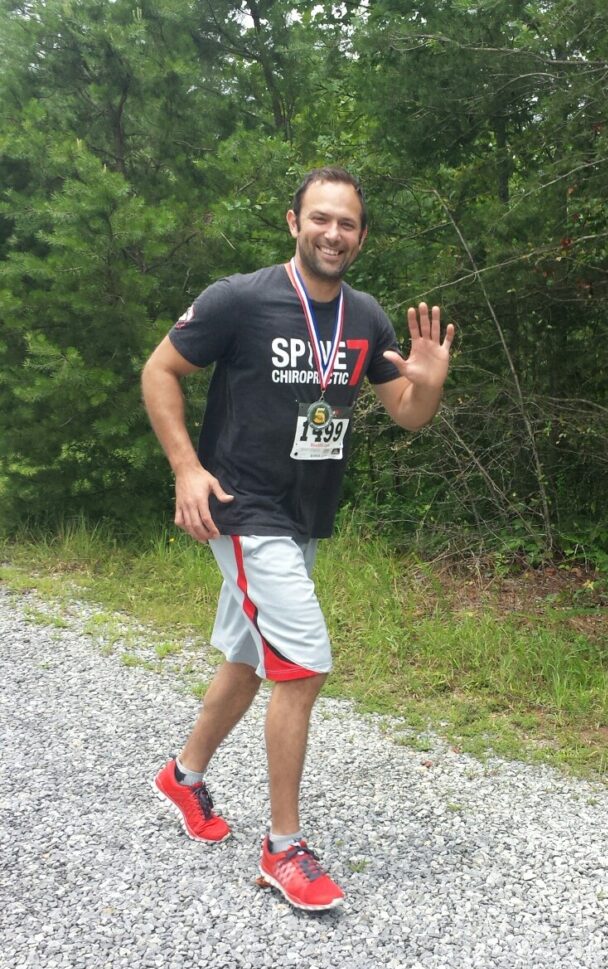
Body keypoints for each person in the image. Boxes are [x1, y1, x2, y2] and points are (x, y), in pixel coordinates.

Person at [141, 167, 454, 912]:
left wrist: (432, 379)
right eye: (320, 218)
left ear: (362, 234)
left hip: (306, 510)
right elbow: (160, 370)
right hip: (241, 507)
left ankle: (181, 777)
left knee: (250, 658)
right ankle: (282, 849)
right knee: (303, 664)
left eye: (347, 223)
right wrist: (186, 469)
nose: (333, 232)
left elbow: (407, 412)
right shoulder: (241, 300)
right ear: (293, 222)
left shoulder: (367, 317)